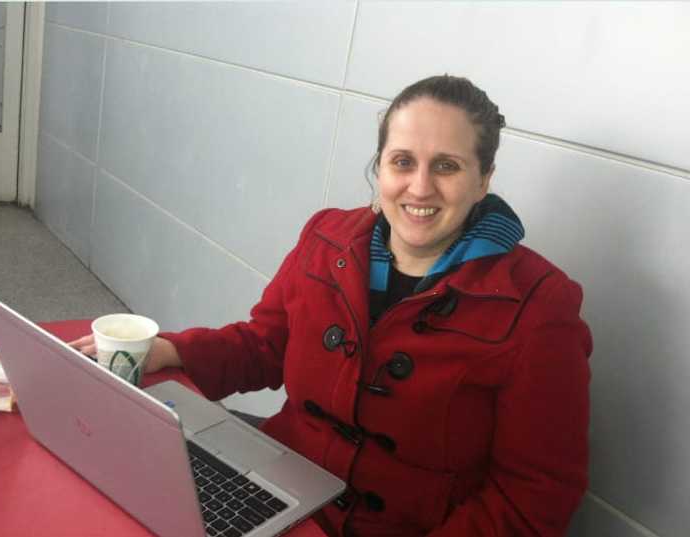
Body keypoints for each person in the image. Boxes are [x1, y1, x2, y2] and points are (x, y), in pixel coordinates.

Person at [71, 75, 592, 536]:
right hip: (278, 493)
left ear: (484, 179)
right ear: (380, 167)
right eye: (402, 162)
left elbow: (535, 494)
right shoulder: (326, 237)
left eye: (448, 166)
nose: (420, 186)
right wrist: (170, 350)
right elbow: (264, 345)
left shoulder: (541, 304)